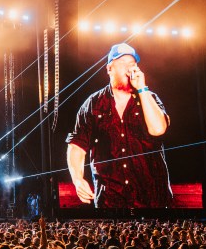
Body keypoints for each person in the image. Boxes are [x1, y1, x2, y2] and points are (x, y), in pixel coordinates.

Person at [66, 43, 171, 209]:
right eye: (123, 64)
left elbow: (158, 129)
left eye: (132, 64)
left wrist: (142, 90)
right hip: (110, 200)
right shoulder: (93, 104)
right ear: (109, 69)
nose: (129, 69)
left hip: (152, 200)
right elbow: (77, 146)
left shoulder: (150, 98)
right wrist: (77, 179)